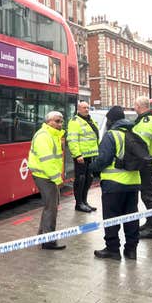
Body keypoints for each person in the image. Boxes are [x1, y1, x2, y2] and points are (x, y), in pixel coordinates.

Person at [89, 105, 140, 261]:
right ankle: (131, 250)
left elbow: (103, 160)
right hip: (133, 183)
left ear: (111, 120)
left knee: (111, 219)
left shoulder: (111, 135)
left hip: (113, 185)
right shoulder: (134, 133)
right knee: (131, 218)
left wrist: (91, 168)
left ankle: (113, 250)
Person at [28, 110, 66, 250]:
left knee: (51, 206)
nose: (60, 124)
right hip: (45, 176)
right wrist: (57, 179)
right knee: (51, 208)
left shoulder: (53, 134)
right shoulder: (44, 136)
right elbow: (47, 161)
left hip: (47, 175)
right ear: (48, 121)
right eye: (57, 121)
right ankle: (48, 241)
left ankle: (42, 236)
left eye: (61, 121)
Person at [132, 95, 152, 239]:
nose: (134, 108)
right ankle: (150, 223)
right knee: (149, 194)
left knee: (148, 196)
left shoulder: (144, 123)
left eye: (135, 106)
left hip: (146, 165)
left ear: (139, 107)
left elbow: (138, 147)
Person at [66, 101, 100, 213]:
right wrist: (77, 154)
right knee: (80, 179)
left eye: (87, 107)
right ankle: (79, 203)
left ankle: (85, 201)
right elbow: (72, 139)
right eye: (84, 108)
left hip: (90, 155)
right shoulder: (75, 122)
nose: (86, 109)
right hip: (81, 156)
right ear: (78, 109)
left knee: (88, 178)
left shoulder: (90, 120)